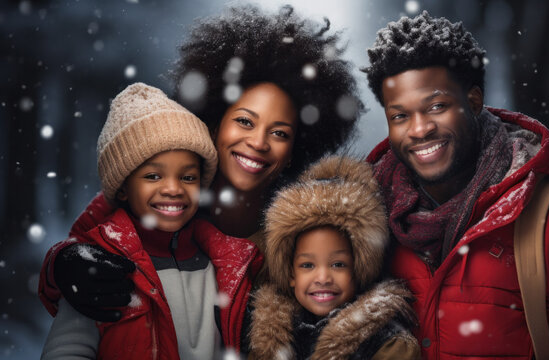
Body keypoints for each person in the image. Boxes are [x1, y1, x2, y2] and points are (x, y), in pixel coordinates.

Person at [38, 5, 361, 354]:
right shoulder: (165, 192)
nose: (258, 142)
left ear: (297, 148)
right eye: (245, 122)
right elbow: (89, 247)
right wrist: (63, 264)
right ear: (215, 120)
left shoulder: (302, 226)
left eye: (280, 133)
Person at [362, 11, 549, 359]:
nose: (419, 129)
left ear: (474, 101)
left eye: (436, 106)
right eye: (400, 116)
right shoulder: (368, 229)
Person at [41, 82, 220, 359]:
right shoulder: (100, 266)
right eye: (153, 176)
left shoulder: (220, 262)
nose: (174, 188)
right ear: (123, 188)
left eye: (188, 177)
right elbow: (67, 350)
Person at [248, 156, 420, 359]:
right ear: (291, 274)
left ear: (359, 270)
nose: (323, 278)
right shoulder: (268, 338)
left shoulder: (387, 343)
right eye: (307, 265)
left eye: (338, 264)